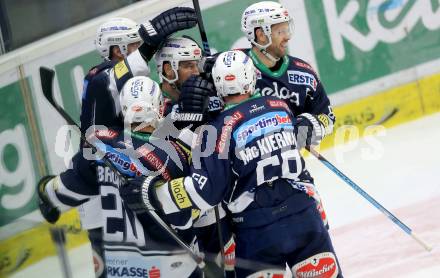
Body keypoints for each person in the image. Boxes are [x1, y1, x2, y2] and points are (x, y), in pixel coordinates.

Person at [119, 50, 342, 278]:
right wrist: (313, 122)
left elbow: (205, 192)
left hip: (257, 230)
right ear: (250, 78)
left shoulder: (216, 131)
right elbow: (307, 128)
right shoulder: (280, 107)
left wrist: (154, 194)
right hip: (303, 215)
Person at [38, 76, 203, 277]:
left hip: (122, 269)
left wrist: (46, 191)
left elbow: (66, 189)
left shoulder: (98, 145)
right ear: (159, 108)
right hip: (173, 267)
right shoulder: (172, 156)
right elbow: (183, 219)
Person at [240, 1, 336, 227]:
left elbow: (328, 118)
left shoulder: (302, 73)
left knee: (317, 239)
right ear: (260, 35)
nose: (288, 37)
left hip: (293, 178)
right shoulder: (232, 68)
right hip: (244, 188)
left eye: (287, 29)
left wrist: (309, 128)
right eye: (280, 31)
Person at [77, 17, 142, 276]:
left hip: (104, 174)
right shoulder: (103, 77)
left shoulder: (111, 77)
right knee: (108, 265)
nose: (141, 51)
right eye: (135, 45)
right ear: (118, 50)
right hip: (99, 181)